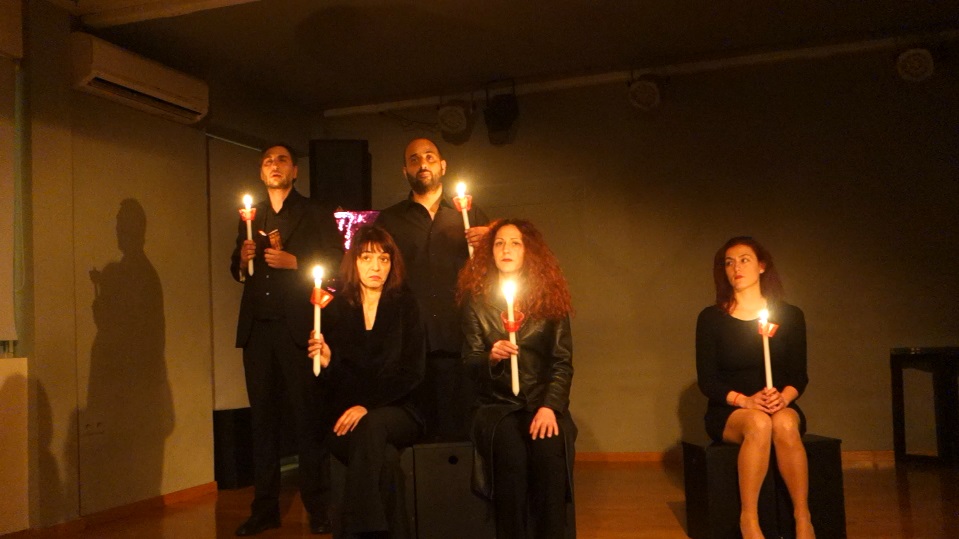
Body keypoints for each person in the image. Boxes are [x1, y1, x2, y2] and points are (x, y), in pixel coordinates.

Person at [231, 144, 342, 536]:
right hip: (257, 332)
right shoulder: (251, 216)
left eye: (281, 160)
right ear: (261, 173)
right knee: (262, 422)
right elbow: (237, 271)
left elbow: (336, 261)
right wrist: (242, 258)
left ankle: (319, 507)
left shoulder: (314, 211)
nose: (274, 165)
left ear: (295, 170)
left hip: (298, 328)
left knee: (307, 419)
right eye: (267, 161)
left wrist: (296, 262)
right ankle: (264, 509)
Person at [457, 218, 576, 539]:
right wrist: (491, 357)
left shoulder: (550, 299)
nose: (505, 249)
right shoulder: (476, 301)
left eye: (514, 243)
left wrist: (550, 406)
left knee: (549, 456)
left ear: (528, 251)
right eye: (498, 243)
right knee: (511, 459)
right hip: (498, 407)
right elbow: (469, 362)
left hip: (541, 403)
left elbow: (562, 362)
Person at [308, 225, 425, 539]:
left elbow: (412, 373)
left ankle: (357, 530)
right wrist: (329, 363)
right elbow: (333, 385)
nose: (376, 266)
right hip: (346, 417)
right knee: (385, 460)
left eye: (384, 259)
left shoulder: (405, 305)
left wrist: (367, 406)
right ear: (354, 262)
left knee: (372, 424)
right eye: (367, 258)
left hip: (399, 411)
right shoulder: (336, 310)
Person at [695, 236, 813, 539]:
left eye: (744, 260)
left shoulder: (791, 316)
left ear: (761, 266)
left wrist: (783, 398)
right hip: (731, 410)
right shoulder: (711, 318)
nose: (736, 268)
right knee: (759, 424)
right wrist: (746, 401)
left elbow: (799, 375)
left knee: (785, 424)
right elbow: (708, 380)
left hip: (779, 404)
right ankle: (749, 519)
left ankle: (803, 517)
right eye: (729, 263)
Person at [375, 137, 490, 440]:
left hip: (459, 338)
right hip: (410, 343)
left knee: (459, 429)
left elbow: (492, 273)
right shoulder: (389, 219)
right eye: (414, 159)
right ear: (405, 171)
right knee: (416, 429)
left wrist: (489, 243)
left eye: (429, 157)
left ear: (443, 166)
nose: (422, 163)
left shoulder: (470, 215)